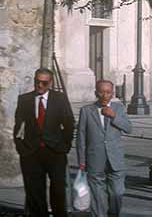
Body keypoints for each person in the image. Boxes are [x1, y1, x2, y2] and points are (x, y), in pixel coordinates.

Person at [13, 67, 75, 217]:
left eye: (44, 83)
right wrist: (21, 147)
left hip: (55, 152)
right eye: (37, 82)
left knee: (58, 190)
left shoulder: (60, 99)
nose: (40, 86)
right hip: (31, 152)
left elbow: (69, 124)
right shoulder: (24, 99)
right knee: (34, 192)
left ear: (51, 83)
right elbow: (18, 125)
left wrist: (64, 146)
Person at [76, 80, 132, 216]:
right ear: (96, 92)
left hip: (115, 159)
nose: (104, 95)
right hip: (95, 158)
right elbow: (81, 137)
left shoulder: (119, 108)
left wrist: (114, 116)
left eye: (108, 92)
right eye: (101, 92)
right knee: (97, 196)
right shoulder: (86, 111)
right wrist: (82, 161)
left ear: (112, 93)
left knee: (117, 193)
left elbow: (128, 128)